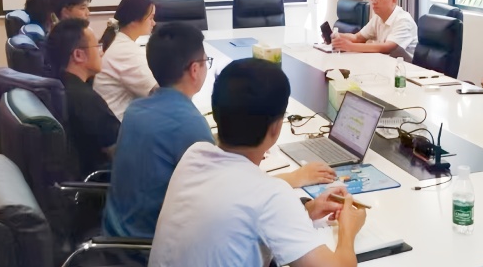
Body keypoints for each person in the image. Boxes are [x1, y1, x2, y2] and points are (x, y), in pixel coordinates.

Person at [134, 58, 366, 267]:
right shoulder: (269, 195)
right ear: (276, 128)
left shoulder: (194, 155)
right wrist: (348, 230)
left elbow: (237, 212)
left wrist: (306, 212)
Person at [104, 23, 336, 239]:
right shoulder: (189, 126)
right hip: (148, 243)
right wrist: (295, 178)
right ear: (195, 69)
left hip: (118, 229)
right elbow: (234, 198)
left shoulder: (136, 109)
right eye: (206, 61)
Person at [45, 18, 119, 177]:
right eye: (97, 46)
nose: (101, 52)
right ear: (78, 55)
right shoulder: (86, 100)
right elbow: (122, 150)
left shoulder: (55, 86)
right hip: (100, 182)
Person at [94, 0, 158, 120]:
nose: (154, 23)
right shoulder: (125, 51)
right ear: (134, 20)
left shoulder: (121, 43)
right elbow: (157, 94)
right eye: (150, 18)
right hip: (118, 125)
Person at [331, 0, 418, 58]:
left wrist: (350, 46)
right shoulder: (378, 17)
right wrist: (336, 36)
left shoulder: (403, 20)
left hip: (405, 67)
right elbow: (357, 38)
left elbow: (387, 47)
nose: (374, 2)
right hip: (384, 61)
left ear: (394, 0)